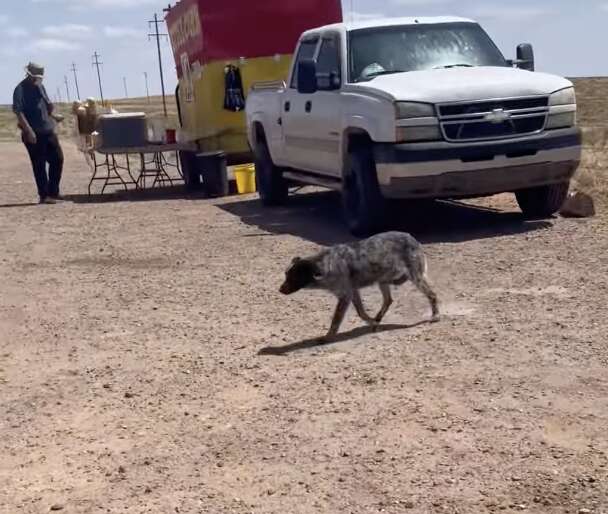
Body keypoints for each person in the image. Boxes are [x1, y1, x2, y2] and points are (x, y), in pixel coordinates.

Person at [13, 62, 65, 204]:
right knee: (39, 164)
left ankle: (53, 192)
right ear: (29, 75)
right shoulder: (20, 89)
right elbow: (18, 111)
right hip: (33, 133)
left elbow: (46, 106)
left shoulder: (40, 87)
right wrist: (29, 131)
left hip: (48, 130)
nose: (38, 79)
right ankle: (44, 195)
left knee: (58, 159)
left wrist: (54, 115)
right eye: (36, 76)